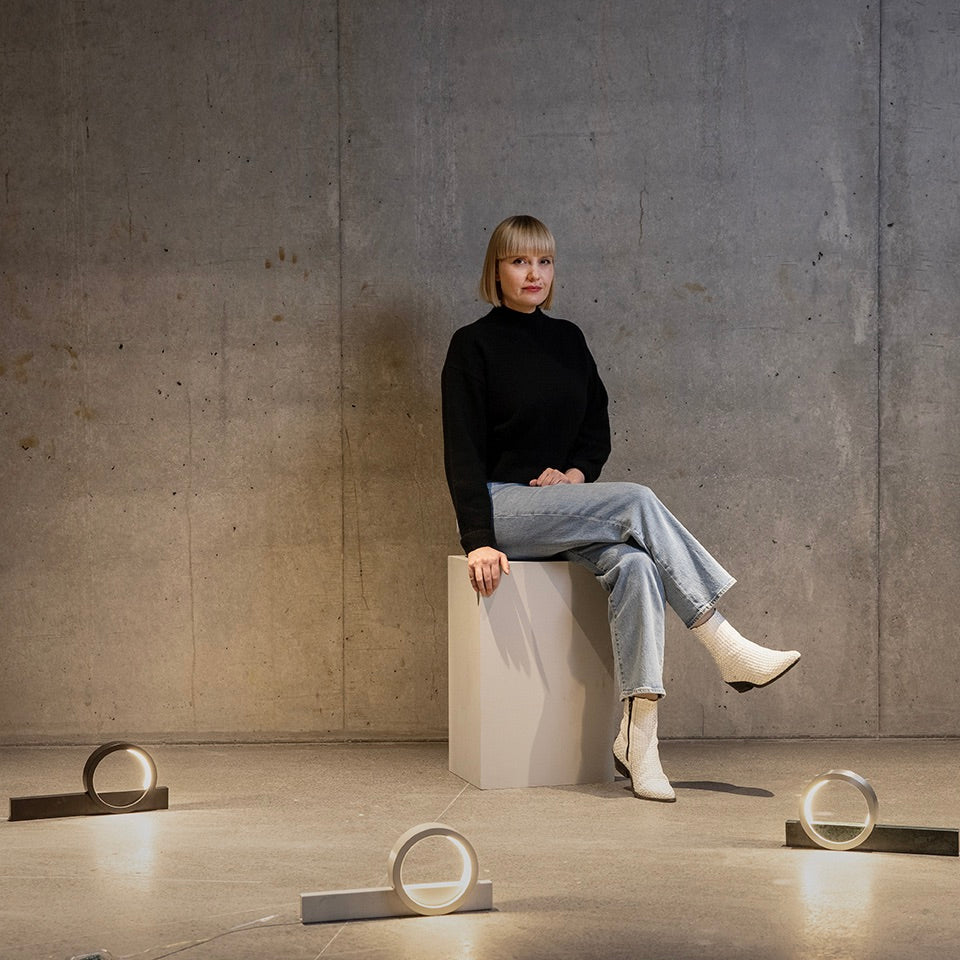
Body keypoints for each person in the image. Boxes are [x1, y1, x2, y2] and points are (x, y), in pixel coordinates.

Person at [441, 214, 800, 803]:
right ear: (496, 270)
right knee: (635, 500)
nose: (534, 273)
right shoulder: (471, 345)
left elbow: (594, 429)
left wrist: (575, 477)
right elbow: (460, 451)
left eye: (544, 261)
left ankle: (640, 737)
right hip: (501, 508)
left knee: (637, 567)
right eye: (519, 261)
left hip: (562, 507)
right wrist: (478, 537)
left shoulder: (569, 340)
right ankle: (722, 641)